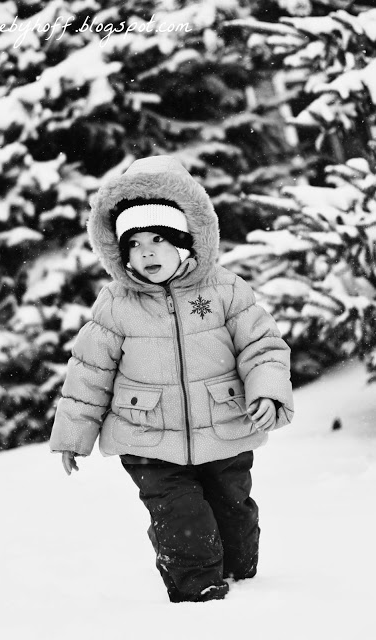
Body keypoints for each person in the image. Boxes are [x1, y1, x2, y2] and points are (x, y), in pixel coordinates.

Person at [49, 155, 294, 603]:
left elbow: (262, 348)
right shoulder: (116, 305)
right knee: (183, 520)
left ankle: (242, 580)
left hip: (224, 428)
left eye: (159, 238)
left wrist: (269, 394)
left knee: (234, 521)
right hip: (149, 440)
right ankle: (196, 598)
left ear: (186, 240)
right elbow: (90, 371)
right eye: (134, 242)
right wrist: (72, 435)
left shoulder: (226, 290)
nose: (146, 252)